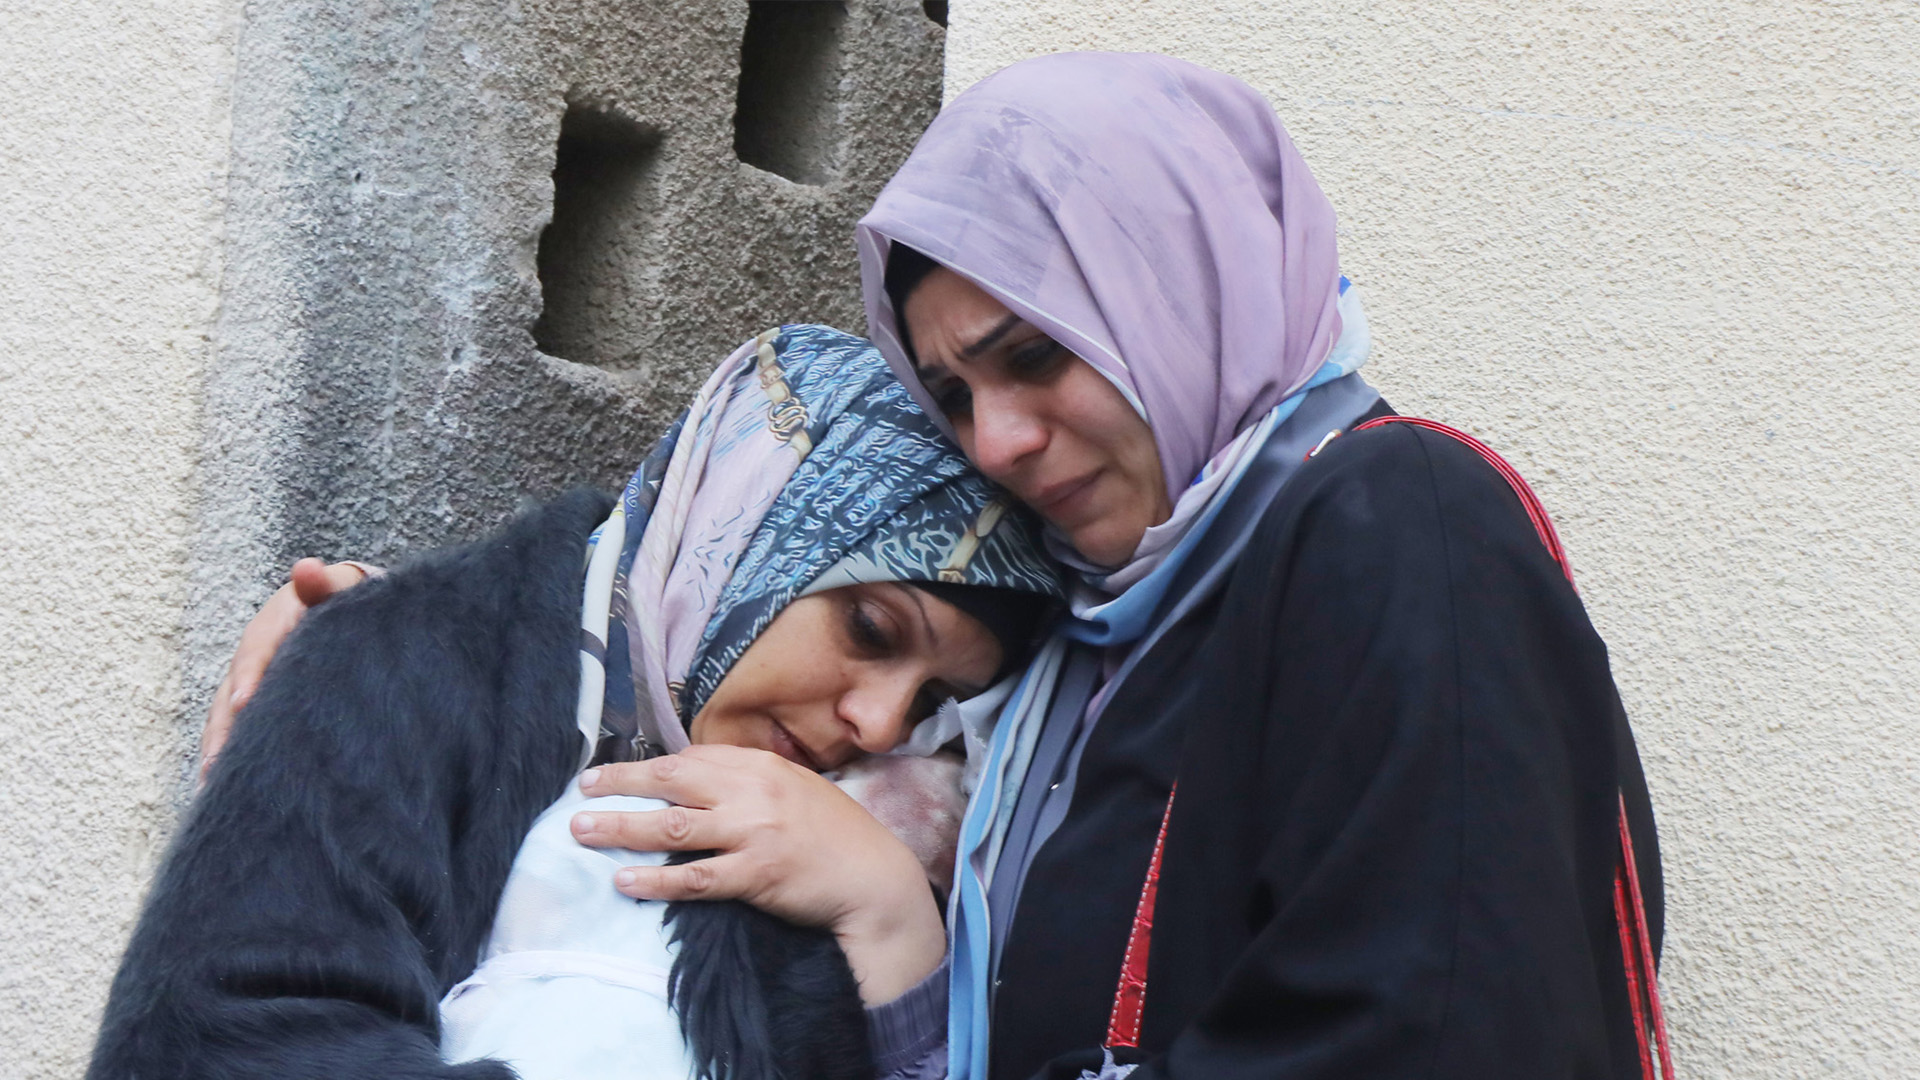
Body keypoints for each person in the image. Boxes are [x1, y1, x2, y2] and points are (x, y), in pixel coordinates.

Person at [204, 52, 1667, 1080]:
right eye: (956, 392)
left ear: (1176, 289)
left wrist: (895, 926)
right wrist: (391, 662)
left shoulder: (1395, 519)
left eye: (1038, 355)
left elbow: (1441, 1022)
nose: (1002, 441)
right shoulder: (1080, 662)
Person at [90, 324, 1062, 1080]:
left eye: (936, 696)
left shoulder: (897, 835)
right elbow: (213, 1043)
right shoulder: (407, 666)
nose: (882, 724)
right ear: (744, 527)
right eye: (871, 630)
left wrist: (894, 928)